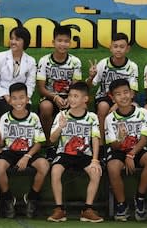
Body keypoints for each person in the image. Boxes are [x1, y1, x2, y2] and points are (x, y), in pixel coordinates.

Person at [47, 82, 103, 223]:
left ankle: (87, 209)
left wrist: (95, 160)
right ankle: (59, 209)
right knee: (55, 171)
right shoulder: (61, 115)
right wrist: (60, 127)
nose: (72, 99)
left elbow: (95, 139)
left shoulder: (92, 117)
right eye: (70, 95)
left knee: (96, 172)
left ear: (85, 99)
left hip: (84, 154)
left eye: (76, 96)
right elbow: (52, 139)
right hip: (64, 153)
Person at [0, 82, 49, 219]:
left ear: (27, 99)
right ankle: (8, 199)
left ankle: (31, 198)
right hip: (10, 151)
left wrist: (27, 157)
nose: (18, 101)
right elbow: (1, 144)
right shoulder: (5, 118)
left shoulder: (34, 117)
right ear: (10, 100)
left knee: (44, 165)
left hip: (29, 151)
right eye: (15, 98)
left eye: (22, 97)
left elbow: (39, 142)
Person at [104, 79, 147, 222]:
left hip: (137, 148)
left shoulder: (142, 113)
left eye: (126, 92)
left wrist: (131, 154)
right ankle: (122, 204)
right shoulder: (110, 118)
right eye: (118, 94)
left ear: (132, 93)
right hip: (119, 150)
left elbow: (145, 138)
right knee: (112, 167)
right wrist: (121, 139)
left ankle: (139, 198)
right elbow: (114, 146)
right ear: (112, 98)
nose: (123, 96)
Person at [37, 25, 82, 159]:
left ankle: (72, 147)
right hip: (50, 96)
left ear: (70, 43)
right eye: (59, 40)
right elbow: (41, 88)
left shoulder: (75, 62)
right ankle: (50, 145)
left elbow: (76, 87)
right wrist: (55, 98)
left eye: (66, 41)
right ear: (53, 42)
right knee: (46, 107)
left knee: (78, 107)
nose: (63, 44)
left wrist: (70, 98)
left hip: (70, 97)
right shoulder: (44, 61)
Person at [86, 32, 139, 141]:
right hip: (105, 97)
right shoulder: (103, 63)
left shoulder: (132, 66)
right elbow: (88, 86)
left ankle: (129, 141)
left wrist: (117, 104)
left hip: (124, 98)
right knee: (103, 106)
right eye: (115, 46)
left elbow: (132, 91)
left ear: (127, 49)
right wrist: (91, 77)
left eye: (122, 47)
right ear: (110, 48)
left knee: (135, 107)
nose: (118, 50)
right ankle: (101, 142)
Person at [0, 26, 36, 123]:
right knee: (7, 114)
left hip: (21, 99)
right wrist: (6, 96)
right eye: (12, 39)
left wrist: (24, 98)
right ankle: (3, 138)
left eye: (17, 39)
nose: (13, 42)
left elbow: (30, 84)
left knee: (24, 116)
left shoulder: (30, 61)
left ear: (25, 42)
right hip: (0, 97)